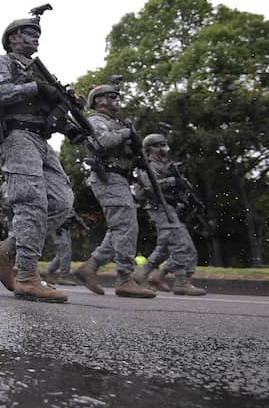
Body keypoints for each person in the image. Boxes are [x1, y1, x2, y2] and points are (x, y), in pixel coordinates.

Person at [0, 12, 74, 302]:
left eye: (37, 34)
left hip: (42, 141)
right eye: (30, 32)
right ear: (13, 38)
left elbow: (49, 108)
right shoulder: (2, 62)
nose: (36, 37)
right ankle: (27, 275)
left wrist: (69, 124)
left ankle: (7, 248)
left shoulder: (40, 71)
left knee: (62, 202)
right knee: (31, 202)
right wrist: (36, 88)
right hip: (17, 137)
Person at [73, 85, 155, 298]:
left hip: (119, 178)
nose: (117, 99)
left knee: (121, 226)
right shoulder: (96, 120)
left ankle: (91, 267)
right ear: (99, 101)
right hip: (107, 177)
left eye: (118, 96)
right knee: (126, 226)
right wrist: (127, 133)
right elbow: (102, 142)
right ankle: (124, 278)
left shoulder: (116, 123)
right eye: (112, 97)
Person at [133, 134, 206, 296]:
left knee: (166, 247)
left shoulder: (165, 165)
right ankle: (181, 281)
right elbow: (150, 187)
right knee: (181, 244)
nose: (164, 148)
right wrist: (173, 181)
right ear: (150, 148)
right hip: (160, 208)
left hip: (170, 208)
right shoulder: (148, 165)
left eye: (164, 144)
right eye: (159, 145)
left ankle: (145, 274)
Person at [41, 215, 82, 286]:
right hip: (58, 226)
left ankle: (48, 272)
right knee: (66, 252)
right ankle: (63, 277)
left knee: (62, 253)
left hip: (64, 227)